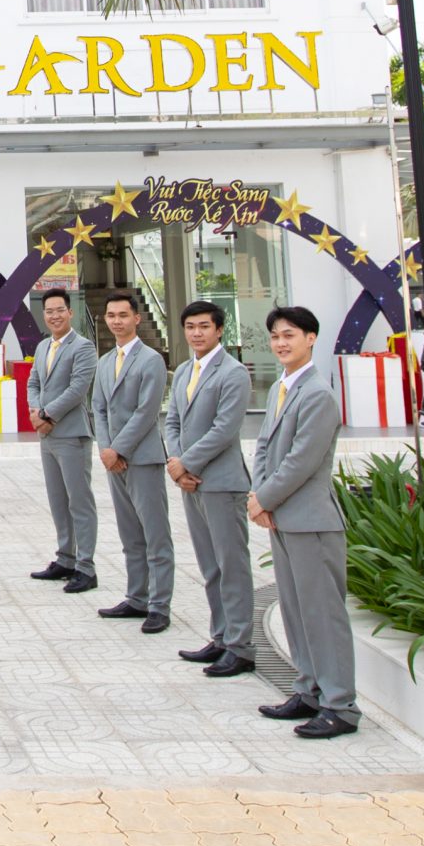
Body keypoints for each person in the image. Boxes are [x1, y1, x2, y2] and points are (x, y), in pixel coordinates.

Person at [249, 304, 359, 738]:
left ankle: (340, 705)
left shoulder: (317, 394)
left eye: (289, 335)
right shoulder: (281, 388)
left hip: (311, 521)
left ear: (310, 339)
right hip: (283, 518)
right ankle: (309, 690)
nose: (281, 343)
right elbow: (263, 447)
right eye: (276, 336)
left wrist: (263, 498)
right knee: (295, 611)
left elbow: (302, 461)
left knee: (322, 615)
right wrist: (259, 496)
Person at [164, 300, 255, 677]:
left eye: (204, 326)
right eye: (190, 327)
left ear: (219, 330)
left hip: (221, 482)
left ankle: (241, 645)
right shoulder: (184, 371)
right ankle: (220, 636)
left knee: (232, 565)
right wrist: (176, 463)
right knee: (210, 566)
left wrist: (186, 463)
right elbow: (171, 421)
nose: (196, 333)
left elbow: (224, 429)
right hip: (190, 482)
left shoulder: (233, 373)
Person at [89, 287, 176, 633]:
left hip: (142, 459)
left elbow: (146, 412)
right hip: (114, 460)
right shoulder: (105, 362)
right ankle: (137, 597)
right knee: (130, 535)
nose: (117, 321)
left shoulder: (151, 360)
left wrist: (119, 449)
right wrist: (106, 449)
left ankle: (160, 605)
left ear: (137, 318)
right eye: (111, 315)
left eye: (123, 315)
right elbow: (98, 408)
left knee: (155, 535)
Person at [24, 286, 99, 593]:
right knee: (58, 501)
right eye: (49, 311)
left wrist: (46, 414)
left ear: (70, 312)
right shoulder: (43, 346)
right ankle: (65, 558)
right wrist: (34, 411)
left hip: (71, 434)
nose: (54, 316)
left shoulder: (83, 347)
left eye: (59, 310)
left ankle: (86, 567)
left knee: (79, 502)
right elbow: (33, 382)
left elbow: (78, 389)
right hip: (47, 435)